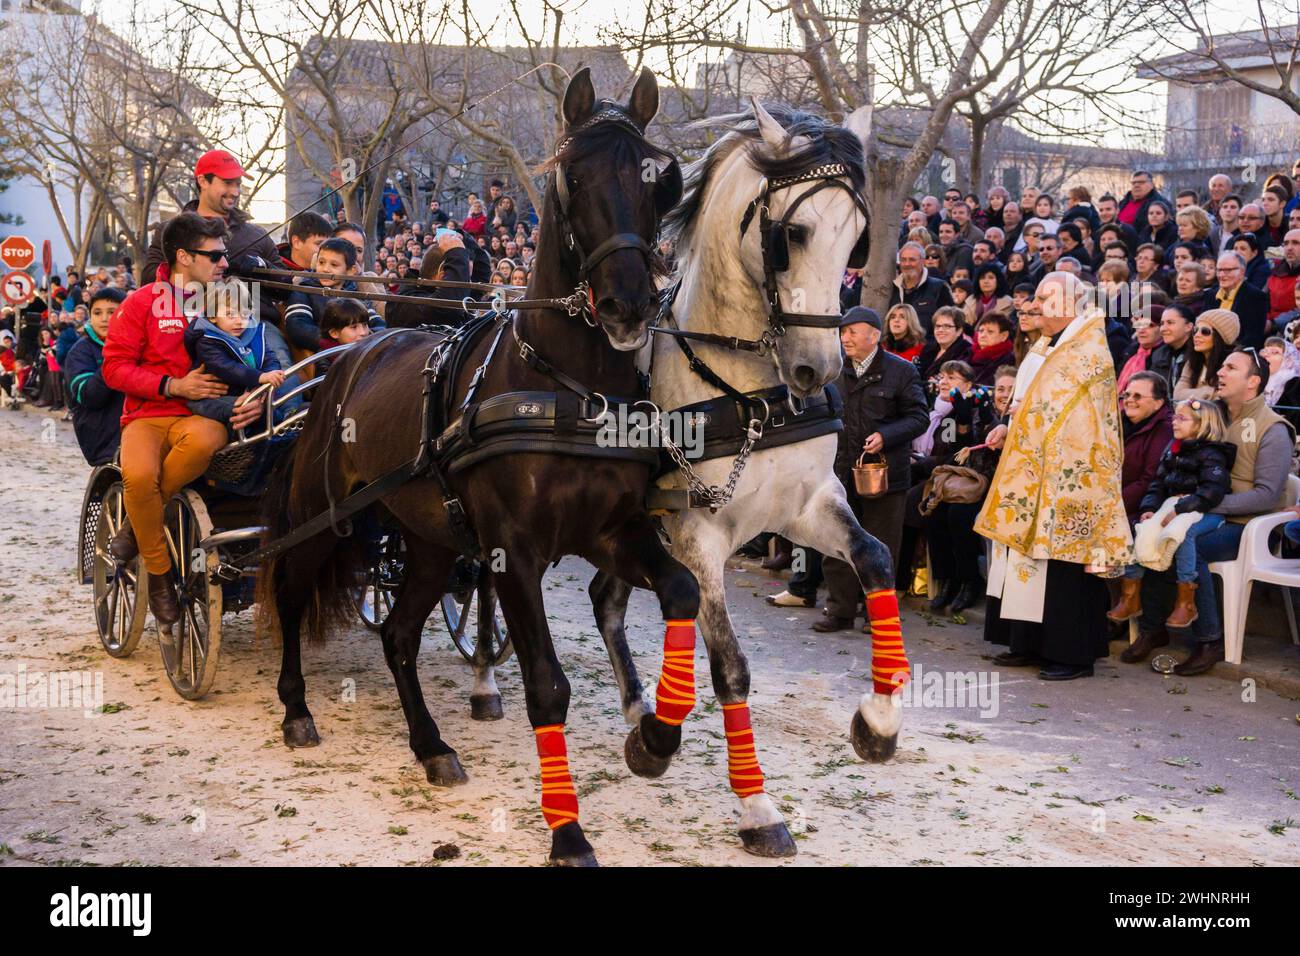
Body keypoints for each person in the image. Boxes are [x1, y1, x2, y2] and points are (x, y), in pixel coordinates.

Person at [101, 212, 264, 625]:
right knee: (137, 477)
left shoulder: (228, 301)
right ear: (183, 257)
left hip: (201, 419)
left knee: (205, 442)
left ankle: (136, 529)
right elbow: (114, 369)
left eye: (224, 254)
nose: (224, 262)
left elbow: (256, 356)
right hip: (147, 416)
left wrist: (254, 396)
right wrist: (173, 386)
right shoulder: (141, 302)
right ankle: (159, 575)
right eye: (215, 255)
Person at [976, 273, 1132, 680]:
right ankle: (1029, 642)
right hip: (1036, 469)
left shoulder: (1087, 351)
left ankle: (1073, 654)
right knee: (1028, 558)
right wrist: (1010, 427)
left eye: (1046, 298)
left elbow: (1079, 417)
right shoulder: (1050, 345)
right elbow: (1032, 406)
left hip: (1073, 477)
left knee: (1065, 562)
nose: (1036, 306)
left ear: (1069, 303)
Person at [1128, 349, 1296, 674]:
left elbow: (1267, 495)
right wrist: (1160, 505)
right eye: (1221, 366)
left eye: (1231, 368)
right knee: (1151, 534)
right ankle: (1153, 628)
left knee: (1189, 546)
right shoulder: (1206, 415)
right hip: (1196, 512)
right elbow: (1170, 462)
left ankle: (1210, 641)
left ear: (1253, 382)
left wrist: (1199, 502)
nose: (1220, 371)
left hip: (1246, 524)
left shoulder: (1273, 428)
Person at [814, 306, 928, 633]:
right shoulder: (834, 370)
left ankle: (877, 614)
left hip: (885, 476)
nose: (845, 338)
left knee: (880, 546)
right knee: (836, 541)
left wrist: (885, 436)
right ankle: (839, 610)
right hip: (838, 472)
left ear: (874, 336)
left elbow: (919, 417)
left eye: (852, 331)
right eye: (843, 331)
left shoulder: (901, 371)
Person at [1109, 398, 1235, 626]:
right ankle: (1130, 596)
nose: (1174, 422)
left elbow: (1212, 491)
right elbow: (1158, 483)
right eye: (1174, 417)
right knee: (1142, 529)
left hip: (1202, 511)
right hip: (1172, 507)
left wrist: (1181, 509)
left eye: (1182, 418)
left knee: (1184, 536)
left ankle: (1186, 601)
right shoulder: (1173, 449)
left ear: (1202, 424)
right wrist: (1149, 508)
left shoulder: (1213, 454)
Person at [143, 150, 279, 282]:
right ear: (202, 181)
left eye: (238, 184)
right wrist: (199, 269)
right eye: (227, 183)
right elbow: (149, 282)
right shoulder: (170, 231)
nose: (235, 192)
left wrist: (261, 264)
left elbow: (287, 286)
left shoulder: (257, 235)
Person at [281, 237, 384, 352]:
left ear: (351, 271)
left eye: (334, 265)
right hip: (324, 356)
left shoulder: (355, 294)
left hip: (359, 353)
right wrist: (332, 345)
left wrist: (366, 340)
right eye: (321, 262)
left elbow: (378, 324)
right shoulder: (304, 290)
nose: (325, 269)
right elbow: (297, 327)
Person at [183, 279, 286, 394]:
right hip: (216, 395)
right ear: (212, 317)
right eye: (230, 315)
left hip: (251, 388)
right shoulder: (207, 341)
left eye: (244, 314)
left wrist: (271, 375)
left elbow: (269, 357)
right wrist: (260, 377)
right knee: (232, 408)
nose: (239, 321)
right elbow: (226, 367)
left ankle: (291, 411)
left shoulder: (252, 333)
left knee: (282, 388)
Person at [65, 288, 128, 466]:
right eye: (97, 312)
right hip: (103, 436)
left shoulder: (140, 345)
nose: (104, 318)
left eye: (112, 312)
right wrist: (114, 359)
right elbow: (89, 396)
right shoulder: (80, 351)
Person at [1118, 370, 1175, 527]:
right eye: (1127, 395)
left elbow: (1148, 480)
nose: (1129, 400)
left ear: (1158, 403)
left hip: (1139, 509)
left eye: (1137, 396)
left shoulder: (1166, 429)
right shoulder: (1116, 422)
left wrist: (1111, 504)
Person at [886, 242, 954, 334]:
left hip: (927, 346)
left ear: (922, 261)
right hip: (895, 346)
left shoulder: (938, 287)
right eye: (903, 260)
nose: (907, 264)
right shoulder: (892, 288)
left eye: (912, 260)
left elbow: (950, 321)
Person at [1206, 251, 1269, 347]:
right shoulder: (1211, 294)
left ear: (1242, 271)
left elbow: (1252, 337)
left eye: (1228, 270)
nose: (1222, 275)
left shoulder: (1255, 297)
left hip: (1236, 352)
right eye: (1219, 270)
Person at [1175, 308, 1238, 400]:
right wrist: (1208, 391)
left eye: (1205, 331)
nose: (1197, 335)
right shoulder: (1193, 360)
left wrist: (1192, 395)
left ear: (1220, 338)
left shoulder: (1232, 364)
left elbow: (1223, 399)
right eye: (1195, 330)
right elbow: (1177, 395)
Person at [917, 305, 972, 385]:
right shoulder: (928, 349)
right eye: (938, 326)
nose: (941, 330)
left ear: (959, 331)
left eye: (947, 326)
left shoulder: (965, 352)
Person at [969, 313, 1015, 385]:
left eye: (990, 332)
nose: (983, 335)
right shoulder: (968, 352)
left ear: (1004, 336)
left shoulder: (1007, 359)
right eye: (981, 331)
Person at [1267, 229, 1300, 322]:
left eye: (1295, 243)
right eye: (1286, 243)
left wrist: (1274, 324)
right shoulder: (1275, 272)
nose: (1289, 248)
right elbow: (1262, 301)